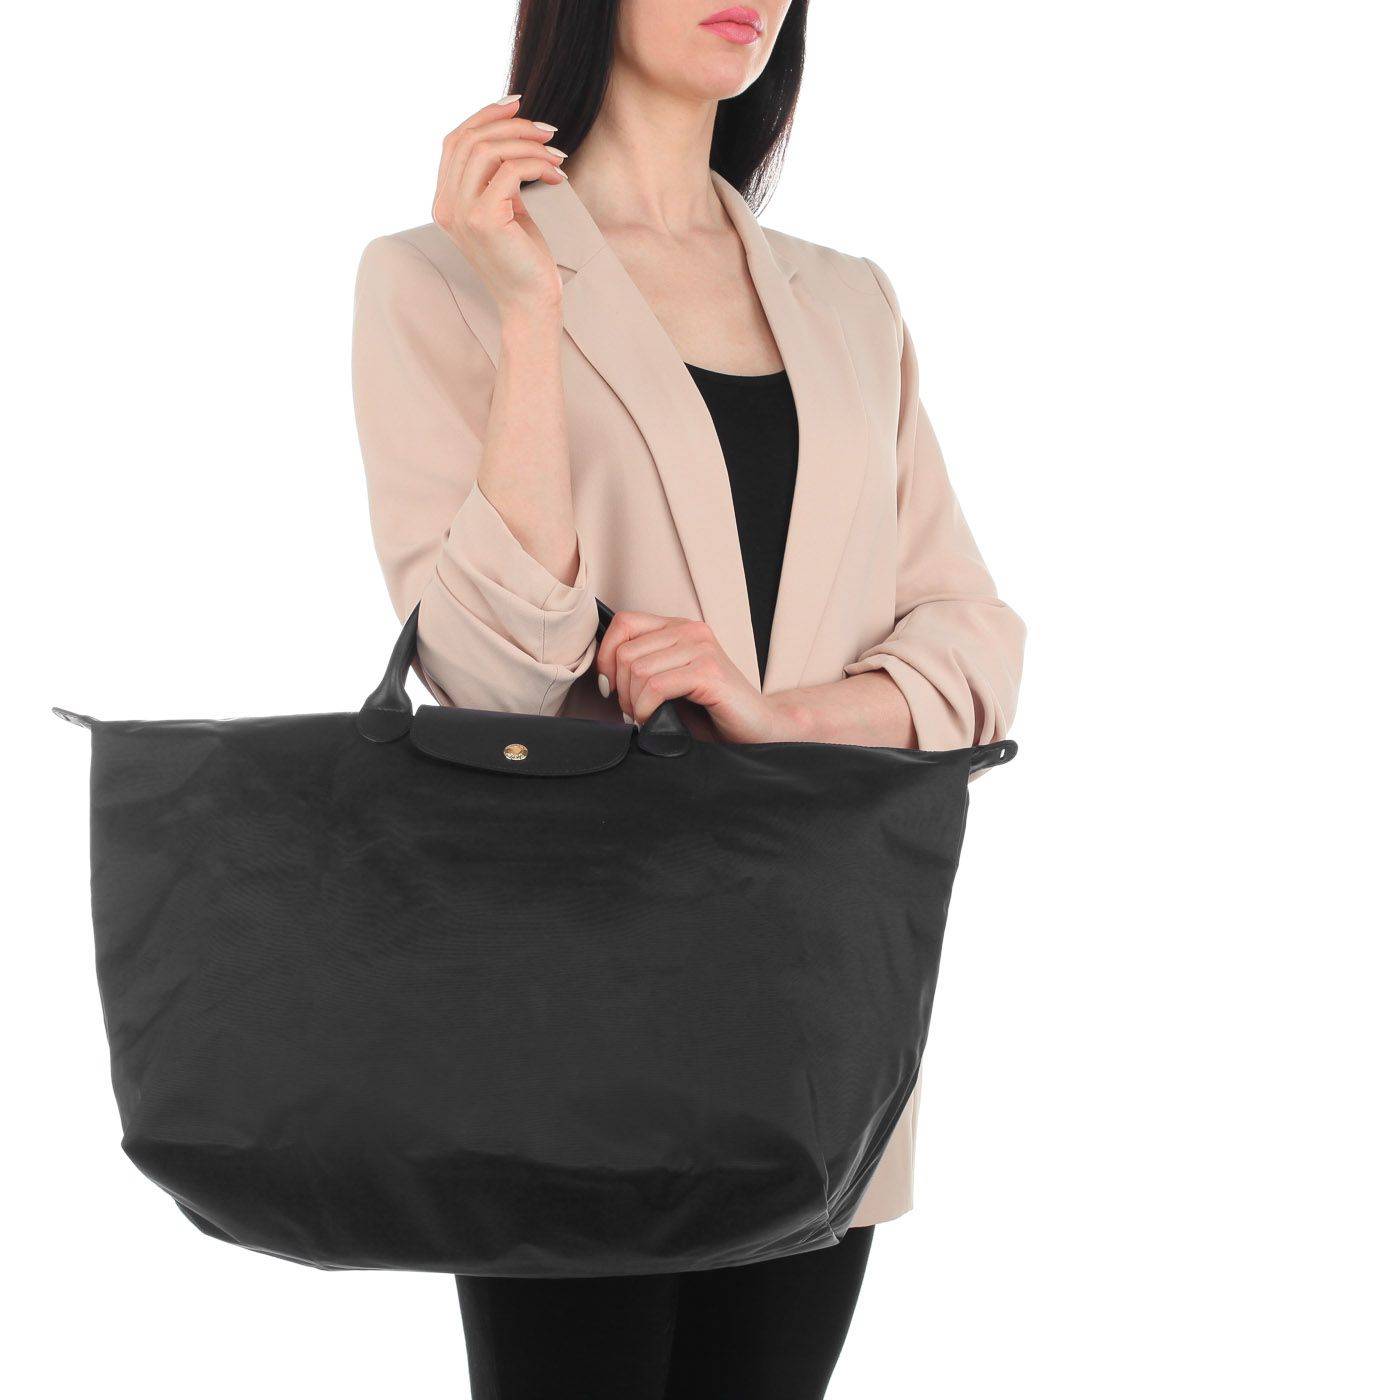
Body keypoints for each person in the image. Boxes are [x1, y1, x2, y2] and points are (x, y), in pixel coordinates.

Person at [351, 2, 1025, 1394]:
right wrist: (531, 314)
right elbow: (485, 675)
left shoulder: (851, 303)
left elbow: (972, 646)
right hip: (566, 1006)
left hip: (819, 1011)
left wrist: (781, 715)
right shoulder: (436, 277)